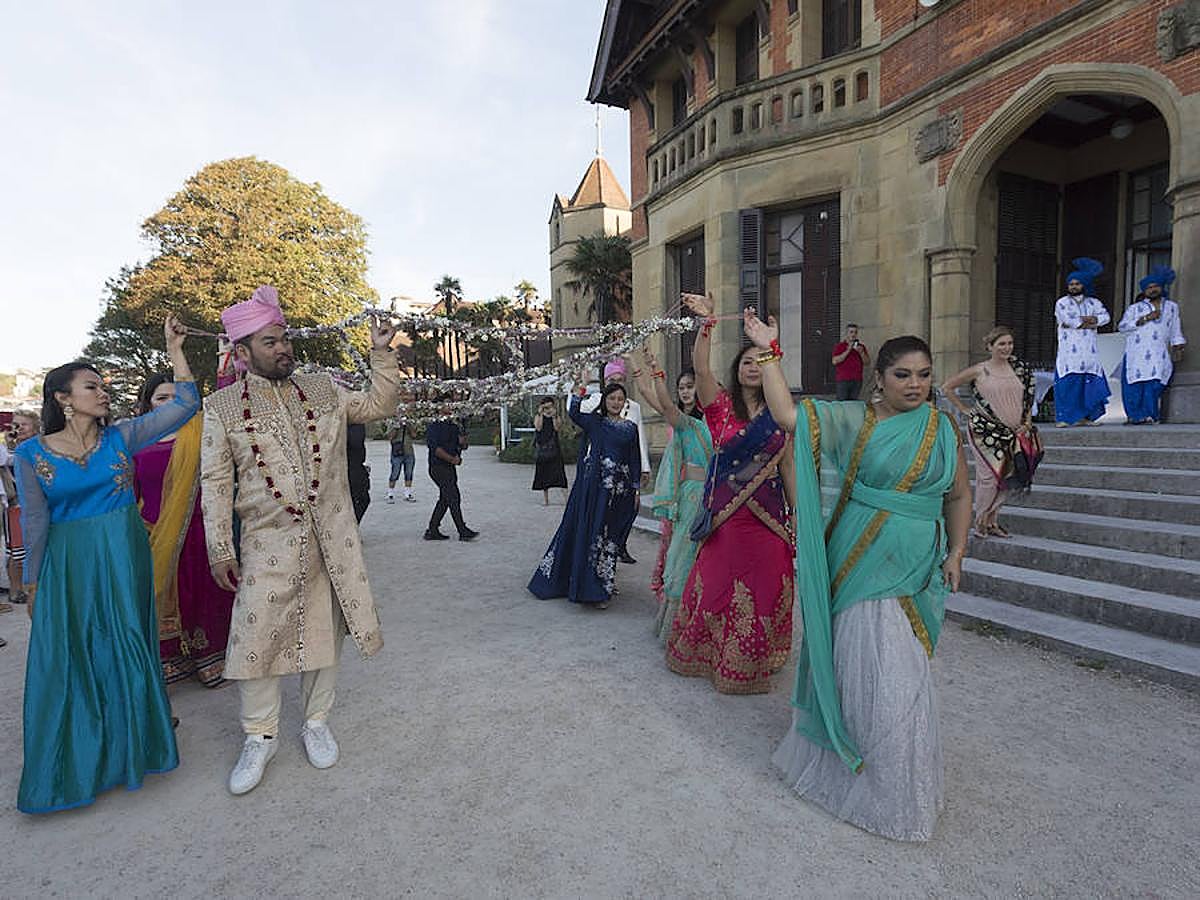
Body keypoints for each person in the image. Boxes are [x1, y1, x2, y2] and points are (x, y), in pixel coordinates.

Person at [745, 311, 971, 842]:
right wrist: (770, 350)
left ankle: (902, 783)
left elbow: (958, 494)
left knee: (907, 671)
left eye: (924, 375)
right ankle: (873, 781)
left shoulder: (941, 427)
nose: (915, 385)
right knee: (878, 667)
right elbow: (788, 417)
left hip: (917, 567)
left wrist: (958, 551)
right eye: (903, 375)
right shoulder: (855, 420)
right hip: (861, 557)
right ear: (879, 379)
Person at [200, 285, 402, 796]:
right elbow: (217, 482)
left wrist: (380, 352)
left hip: (329, 540)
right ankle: (259, 736)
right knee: (256, 639)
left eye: (284, 338)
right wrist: (220, 546)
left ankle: (315, 722)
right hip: (268, 543)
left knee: (323, 636)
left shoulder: (323, 389)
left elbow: (379, 403)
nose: (283, 348)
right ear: (242, 353)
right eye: (270, 342)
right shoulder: (222, 408)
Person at [13, 316, 200, 814]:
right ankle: (82, 761)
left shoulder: (121, 437)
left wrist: (175, 350)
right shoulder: (30, 454)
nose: (103, 393)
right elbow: (34, 522)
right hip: (70, 561)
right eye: (91, 386)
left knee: (127, 641)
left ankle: (133, 751)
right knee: (74, 653)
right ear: (63, 398)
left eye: (103, 386)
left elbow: (185, 404)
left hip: (122, 553)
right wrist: (32, 585)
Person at [666, 293, 795, 694]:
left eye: (760, 361)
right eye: (746, 362)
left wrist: (800, 518)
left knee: (768, 587)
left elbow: (788, 466)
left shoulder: (784, 413)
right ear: (736, 371)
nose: (753, 367)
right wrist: (706, 324)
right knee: (719, 589)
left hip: (769, 520)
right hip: (726, 521)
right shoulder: (719, 407)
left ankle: (754, 660)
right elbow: (701, 368)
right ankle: (709, 655)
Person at [132, 373, 236, 687]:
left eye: (176, 398)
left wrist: (226, 369)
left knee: (205, 592)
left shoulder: (202, 431)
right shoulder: (133, 438)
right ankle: (172, 658)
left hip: (200, 530)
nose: (170, 405)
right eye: (161, 398)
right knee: (161, 593)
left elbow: (227, 401)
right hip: (153, 531)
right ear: (148, 403)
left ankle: (212, 656)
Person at [528, 382, 642, 608]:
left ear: (625, 402)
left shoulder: (630, 428)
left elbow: (634, 459)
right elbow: (574, 412)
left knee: (610, 540)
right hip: (594, 491)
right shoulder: (595, 423)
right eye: (612, 399)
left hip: (618, 493)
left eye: (620, 399)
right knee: (593, 535)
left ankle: (604, 583)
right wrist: (580, 389)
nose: (616, 403)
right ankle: (592, 590)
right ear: (604, 401)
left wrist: (636, 487)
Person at [632, 353, 711, 644]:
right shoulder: (683, 422)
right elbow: (658, 401)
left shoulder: (718, 422)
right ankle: (678, 626)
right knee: (682, 556)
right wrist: (649, 370)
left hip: (716, 497)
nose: (686, 391)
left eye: (691, 385)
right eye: (682, 387)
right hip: (689, 498)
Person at [940, 326, 1040, 539]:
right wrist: (964, 409)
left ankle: (992, 520)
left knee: (1008, 474)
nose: (1007, 348)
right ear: (990, 347)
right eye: (1001, 344)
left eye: (1010, 343)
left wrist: (1027, 422)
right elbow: (946, 387)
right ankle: (980, 521)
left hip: (1014, 430)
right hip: (984, 430)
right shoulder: (980, 370)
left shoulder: (1020, 368)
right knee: (988, 477)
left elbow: (1028, 400)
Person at [580, 359, 650, 564]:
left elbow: (640, 439)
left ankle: (620, 545)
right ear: (605, 381)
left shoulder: (634, 407)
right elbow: (579, 413)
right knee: (600, 515)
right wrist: (582, 387)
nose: (617, 382)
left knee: (626, 511)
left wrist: (644, 467)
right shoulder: (595, 401)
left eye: (620, 379)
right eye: (612, 379)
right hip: (600, 468)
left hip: (624, 471)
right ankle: (595, 559)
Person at [1118, 266, 1187, 425]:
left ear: (1161, 287)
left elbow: (1175, 327)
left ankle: (1150, 415)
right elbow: (1122, 327)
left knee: (1154, 384)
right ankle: (1135, 416)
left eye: (1155, 286)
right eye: (1149, 288)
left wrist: (1178, 345)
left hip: (1159, 353)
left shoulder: (1171, 307)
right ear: (1144, 291)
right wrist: (1144, 318)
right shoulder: (1135, 308)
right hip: (1136, 353)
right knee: (1134, 385)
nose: (1152, 290)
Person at [1054, 258, 1111, 426]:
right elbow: (1067, 320)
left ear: (1084, 285)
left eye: (1077, 284)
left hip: (1089, 352)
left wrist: (1091, 320)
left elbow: (1105, 318)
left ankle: (1086, 418)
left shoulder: (1094, 303)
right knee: (1069, 384)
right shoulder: (1062, 303)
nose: (1073, 287)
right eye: (1071, 284)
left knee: (1089, 385)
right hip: (1069, 354)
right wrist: (1090, 322)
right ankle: (1064, 418)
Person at [2, 411, 39, 607]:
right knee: (16, 550)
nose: (18, 429)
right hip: (16, 503)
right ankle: (16, 589)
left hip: (35, 505)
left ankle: (28, 586)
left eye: (24, 425)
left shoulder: (40, 447)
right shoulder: (12, 449)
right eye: (15, 424)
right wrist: (10, 444)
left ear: (35, 428)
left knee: (30, 548)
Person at [424, 409, 478, 541]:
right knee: (453, 497)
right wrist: (452, 459)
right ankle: (462, 530)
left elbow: (463, 446)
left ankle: (432, 529)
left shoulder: (454, 426)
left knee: (445, 499)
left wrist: (463, 441)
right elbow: (436, 449)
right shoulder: (433, 426)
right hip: (438, 467)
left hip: (449, 468)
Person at [531, 397, 568, 505]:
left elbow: (557, 428)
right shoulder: (538, 416)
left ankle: (566, 499)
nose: (548, 409)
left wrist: (554, 416)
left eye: (550, 406)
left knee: (560, 474)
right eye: (546, 407)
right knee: (543, 474)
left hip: (555, 448)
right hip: (542, 448)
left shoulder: (555, 417)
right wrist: (540, 413)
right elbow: (538, 427)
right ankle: (546, 500)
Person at [831, 324, 871, 400]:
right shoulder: (840, 346)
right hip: (843, 380)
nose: (853, 334)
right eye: (851, 332)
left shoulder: (861, 347)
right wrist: (848, 350)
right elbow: (835, 361)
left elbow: (867, 362)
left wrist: (862, 353)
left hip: (857, 380)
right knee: (842, 403)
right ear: (846, 334)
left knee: (853, 403)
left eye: (855, 332)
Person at [385, 414, 417, 503]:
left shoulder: (409, 423)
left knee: (409, 473)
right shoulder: (393, 423)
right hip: (397, 452)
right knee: (395, 473)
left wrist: (408, 425)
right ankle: (390, 494)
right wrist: (397, 426)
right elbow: (390, 437)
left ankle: (408, 493)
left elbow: (414, 435)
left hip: (409, 452)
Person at [346, 422, 371, 522]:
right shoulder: (354, 424)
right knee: (361, 499)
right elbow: (356, 442)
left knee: (361, 500)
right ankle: (351, 525)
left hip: (355, 466)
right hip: (352, 468)